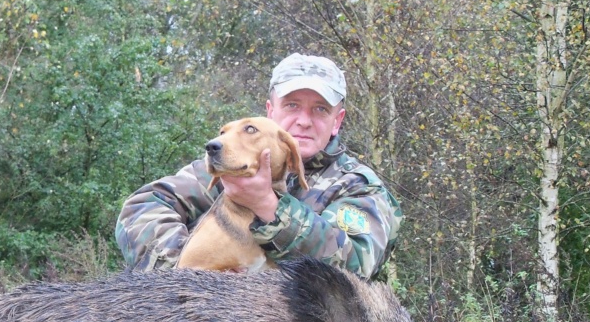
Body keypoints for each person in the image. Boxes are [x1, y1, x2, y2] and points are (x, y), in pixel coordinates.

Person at [115, 53, 402, 278]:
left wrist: (268, 206)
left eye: (320, 109)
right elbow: (140, 209)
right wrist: (193, 275)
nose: (304, 120)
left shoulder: (357, 185)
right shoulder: (231, 166)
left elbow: (354, 267)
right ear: (270, 110)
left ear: (337, 121)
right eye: (291, 105)